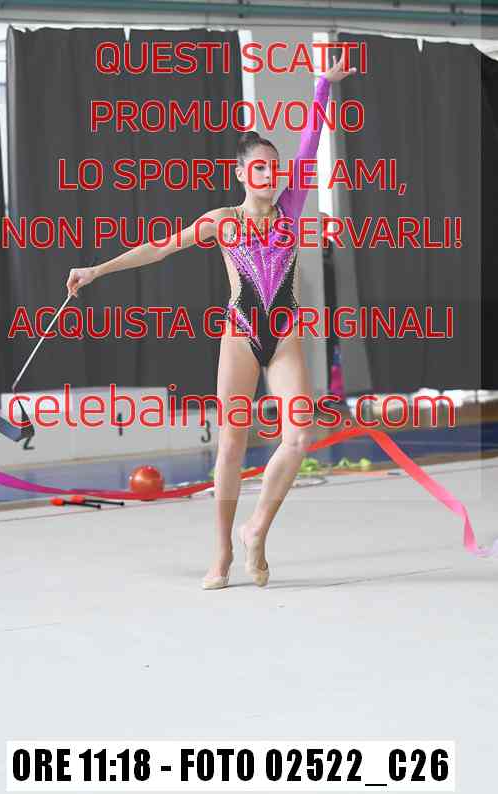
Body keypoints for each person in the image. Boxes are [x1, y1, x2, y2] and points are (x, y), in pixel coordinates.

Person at [66, 53, 356, 590]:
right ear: (243, 173)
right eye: (260, 167)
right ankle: (222, 550)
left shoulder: (291, 209)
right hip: (240, 335)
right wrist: (96, 270)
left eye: (275, 166)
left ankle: (256, 530)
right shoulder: (222, 221)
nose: (272, 174)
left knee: (298, 438)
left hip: (285, 336)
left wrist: (322, 86)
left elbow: (311, 143)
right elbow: (158, 248)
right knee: (231, 444)